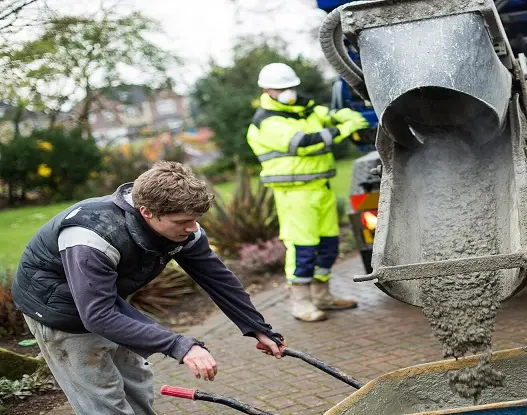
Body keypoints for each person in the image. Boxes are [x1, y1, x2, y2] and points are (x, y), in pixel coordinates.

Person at [11, 161, 287, 415]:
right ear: (147, 212)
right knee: (103, 399)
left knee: (137, 382)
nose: (193, 228)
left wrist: (257, 327)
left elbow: (216, 277)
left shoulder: (180, 225)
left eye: (195, 219)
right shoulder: (91, 236)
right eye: (183, 222)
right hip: (59, 309)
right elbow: (96, 315)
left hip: (104, 302)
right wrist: (180, 346)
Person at [246, 62, 370, 322]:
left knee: (328, 246)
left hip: (320, 190)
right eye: (282, 88)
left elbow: (327, 114)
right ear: (267, 90)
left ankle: (322, 297)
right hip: (294, 194)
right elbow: (303, 143)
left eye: (290, 86)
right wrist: (345, 129)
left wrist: (343, 115)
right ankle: (301, 304)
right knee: (303, 248)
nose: (288, 91)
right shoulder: (267, 122)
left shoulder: (304, 108)